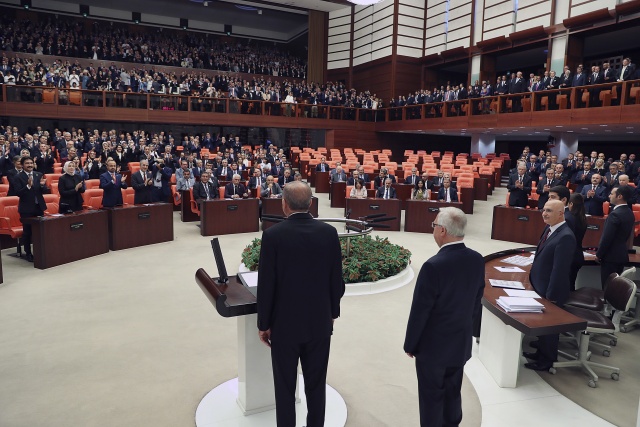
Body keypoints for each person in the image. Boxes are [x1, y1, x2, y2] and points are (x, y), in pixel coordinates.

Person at [257, 181, 345, 427]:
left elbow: (267, 285)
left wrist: (264, 324)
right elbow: (336, 282)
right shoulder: (328, 233)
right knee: (317, 384)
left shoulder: (273, 235)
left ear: (284, 204)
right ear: (310, 203)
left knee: (284, 387)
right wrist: (331, 315)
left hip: (284, 326)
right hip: (319, 324)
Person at [404, 207, 484, 427]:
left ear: (442, 230)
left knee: (431, 398)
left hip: (433, 348)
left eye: (434, 225)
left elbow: (421, 311)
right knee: (453, 392)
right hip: (460, 343)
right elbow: (476, 301)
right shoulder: (477, 260)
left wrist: (411, 344)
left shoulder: (433, 266)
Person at [524, 200, 576, 371]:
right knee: (542, 326)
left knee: (549, 327)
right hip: (540, 285)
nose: (544, 214)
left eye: (549, 211)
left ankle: (547, 361)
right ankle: (540, 353)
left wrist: (551, 296)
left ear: (561, 213)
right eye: (544, 210)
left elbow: (559, 270)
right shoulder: (549, 228)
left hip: (551, 290)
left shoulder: (566, 236)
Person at [548, 186, 587, 292]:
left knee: (566, 288)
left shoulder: (567, 218)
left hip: (570, 258)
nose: (549, 200)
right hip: (576, 255)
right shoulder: (579, 217)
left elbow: (565, 242)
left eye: (552, 197)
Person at [596, 185, 635, 289]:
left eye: (612, 194)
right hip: (621, 254)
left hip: (610, 257)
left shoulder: (615, 214)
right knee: (615, 290)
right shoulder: (629, 212)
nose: (609, 196)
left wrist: (599, 254)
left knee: (607, 288)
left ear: (619, 196)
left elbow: (607, 238)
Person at [14, 157, 50, 262]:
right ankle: (28, 253)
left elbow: (43, 191)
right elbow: (18, 193)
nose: (30, 165)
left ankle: (41, 251)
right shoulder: (18, 177)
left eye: (31, 163)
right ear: (22, 164)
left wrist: (43, 186)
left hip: (39, 207)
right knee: (27, 232)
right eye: (27, 163)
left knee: (40, 231)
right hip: (26, 209)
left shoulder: (38, 174)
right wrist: (28, 186)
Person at [568, 193, 588, 291]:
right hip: (578, 255)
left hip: (570, 256)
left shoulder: (569, 219)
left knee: (566, 285)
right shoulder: (583, 218)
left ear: (571, 204)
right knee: (571, 283)